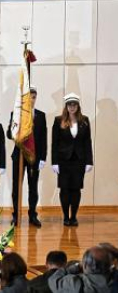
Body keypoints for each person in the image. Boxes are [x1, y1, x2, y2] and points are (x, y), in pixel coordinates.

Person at [7, 86, 48, 227]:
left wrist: (43, 157)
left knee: (33, 187)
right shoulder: (16, 114)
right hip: (19, 155)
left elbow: (43, 138)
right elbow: (9, 134)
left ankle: (32, 216)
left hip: (34, 156)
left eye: (34, 97)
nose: (31, 99)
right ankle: (16, 216)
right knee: (16, 187)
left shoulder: (41, 116)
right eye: (29, 97)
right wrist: (15, 128)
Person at [52, 93, 93, 226]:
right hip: (63, 161)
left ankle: (73, 216)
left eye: (74, 104)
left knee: (76, 189)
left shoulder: (85, 120)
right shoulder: (59, 120)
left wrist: (89, 161)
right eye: (69, 104)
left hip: (79, 161)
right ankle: (65, 217)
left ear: (78, 106)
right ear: (66, 106)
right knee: (64, 189)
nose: (72, 107)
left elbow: (88, 142)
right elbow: (55, 143)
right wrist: (54, 162)